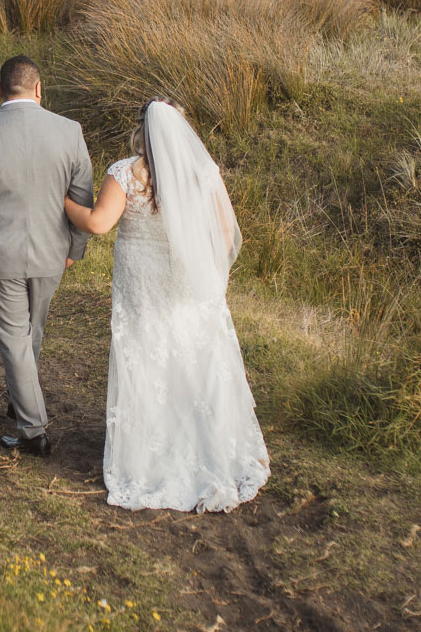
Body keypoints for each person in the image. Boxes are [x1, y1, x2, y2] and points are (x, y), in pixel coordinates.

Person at [64, 99, 269, 512]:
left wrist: (62, 201)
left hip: (141, 284)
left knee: (145, 356)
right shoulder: (202, 173)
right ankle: (210, 448)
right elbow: (227, 238)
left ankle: (150, 459)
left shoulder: (125, 172)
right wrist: (202, 274)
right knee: (192, 357)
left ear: (142, 129)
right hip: (185, 283)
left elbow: (99, 223)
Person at [0, 55, 95, 456]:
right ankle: (21, 395)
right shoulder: (70, 132)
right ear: (39, 88)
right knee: (31, 331)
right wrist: (74, 249)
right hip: (52, 254)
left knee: (15, 338)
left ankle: (33, 432)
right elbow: (82, 197)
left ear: (0, 90)